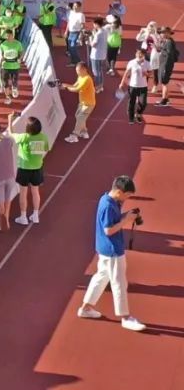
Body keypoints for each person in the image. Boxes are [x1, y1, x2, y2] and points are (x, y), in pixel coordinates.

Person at [77, 176, 146, 332]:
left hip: (104, 249)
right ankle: (125, 317)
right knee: (119, 282)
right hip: (113, 250)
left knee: (101, 277)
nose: (127, 198)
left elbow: (112, 221)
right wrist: (126, 220)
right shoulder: (109, 206)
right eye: (127, 195)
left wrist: (126, 215)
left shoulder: (107, 200)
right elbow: (109, 230)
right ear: (119, 192)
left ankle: (86, 308)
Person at [11, 116, 50, 225]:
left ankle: (23, 217)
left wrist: (10, 121)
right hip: (37, 168)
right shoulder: (43, 137)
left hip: (24, 169)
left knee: (23, 193)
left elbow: (11, 134)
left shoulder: (24, 137)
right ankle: (36, 215)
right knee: (35, 191)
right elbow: (46, 149)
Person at [62, 62, 95, 144]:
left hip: (88, 104)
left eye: (78, 70)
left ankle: (75, 135)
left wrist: (66, 87)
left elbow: (77, 89)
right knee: (78, 116)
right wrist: (65, 85)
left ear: (84, 69)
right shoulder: (80, 77)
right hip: (82, 102)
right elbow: (74, 86)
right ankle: (84, 132)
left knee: (80, 117)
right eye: (76, 70)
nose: (77, 72)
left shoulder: (87, 79)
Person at [120, 48, 152, 124]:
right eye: (137, 53)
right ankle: (131, 118)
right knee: (132, 102)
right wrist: (122, 83)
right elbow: (126, 73)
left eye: (141, 53)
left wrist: (147, 74)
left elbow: (151, 73)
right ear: (136, 54)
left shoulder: (147, 63)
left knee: (143, 103)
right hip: (133, 86)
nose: (139, 55)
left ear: (143, 55)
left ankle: (138, 114)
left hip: (143, 86)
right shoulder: (131, 62)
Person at [156, 28, 178, 106]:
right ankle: (166, 98)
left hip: (165, 65)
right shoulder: (167, 41)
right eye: (161, 33)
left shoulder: (169, 42)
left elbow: (169, 54)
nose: (161, 34)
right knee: (164, 82)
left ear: (167, 33)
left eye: (162, 33)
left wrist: (165, 66)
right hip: (164, 64)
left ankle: (163, 100)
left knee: (164, 82)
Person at [88, 17, 109, 93]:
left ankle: (97, 87)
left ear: (97, 24)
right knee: (100, 71)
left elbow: (93, 44)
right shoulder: (105, 31)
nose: (93, 25)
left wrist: (90, 39)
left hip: (96, 56)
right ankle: (101, 86)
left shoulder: (98, 34)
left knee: (96, 72)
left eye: (94, 24)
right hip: (102, 55)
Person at [65, 1, 85, 66]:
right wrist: (66, 31)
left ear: (79, 7)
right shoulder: (71, 13)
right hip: (70, 32)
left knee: (73, 47)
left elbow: (82, 25)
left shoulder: (81, 15)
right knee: (70, 48)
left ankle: (77, 61)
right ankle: (74, 61)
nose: (74, 7)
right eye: (74, 6)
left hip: (76, 32)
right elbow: (69, 22)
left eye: (76, 6)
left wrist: (81, 35)